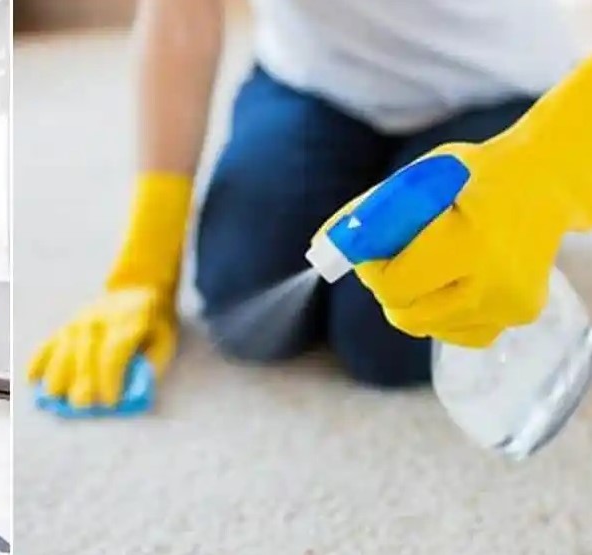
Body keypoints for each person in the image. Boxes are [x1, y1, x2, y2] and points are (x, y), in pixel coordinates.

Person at [29, 0, 592, 409]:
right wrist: (143, 269)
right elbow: (179, 16)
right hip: (315, 84)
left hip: (498, 94)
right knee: (242, 309)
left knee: (386, 340)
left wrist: (546, 175)